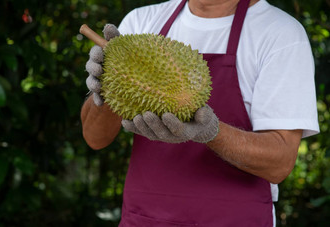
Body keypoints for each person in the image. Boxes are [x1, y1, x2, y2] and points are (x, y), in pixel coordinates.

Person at [81, 0, 319, 226]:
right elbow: (95, 137)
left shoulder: (280, 34)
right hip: (144, 219)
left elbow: (279, 164)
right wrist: (104, 90)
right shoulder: (142, 22)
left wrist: (212, 132)